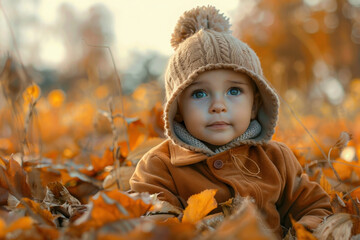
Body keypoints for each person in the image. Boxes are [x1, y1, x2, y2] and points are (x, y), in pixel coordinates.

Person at [130, 5, 332, 238]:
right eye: (199, 94)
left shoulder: (277, 159)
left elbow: (314, 207)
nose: (218, 105)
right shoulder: (159, 166)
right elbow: (153, 220)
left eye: (234, 91)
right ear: (177, 110)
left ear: (254, 105)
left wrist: (301, 234)